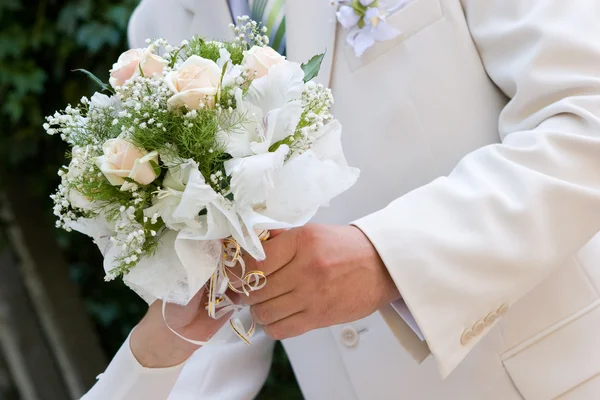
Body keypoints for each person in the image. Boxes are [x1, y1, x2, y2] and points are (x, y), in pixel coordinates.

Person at [83, 0, 600, 399]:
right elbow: (215, 312)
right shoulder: (158, 25)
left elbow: (585, 117)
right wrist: (152, 364)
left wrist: (386, 258)